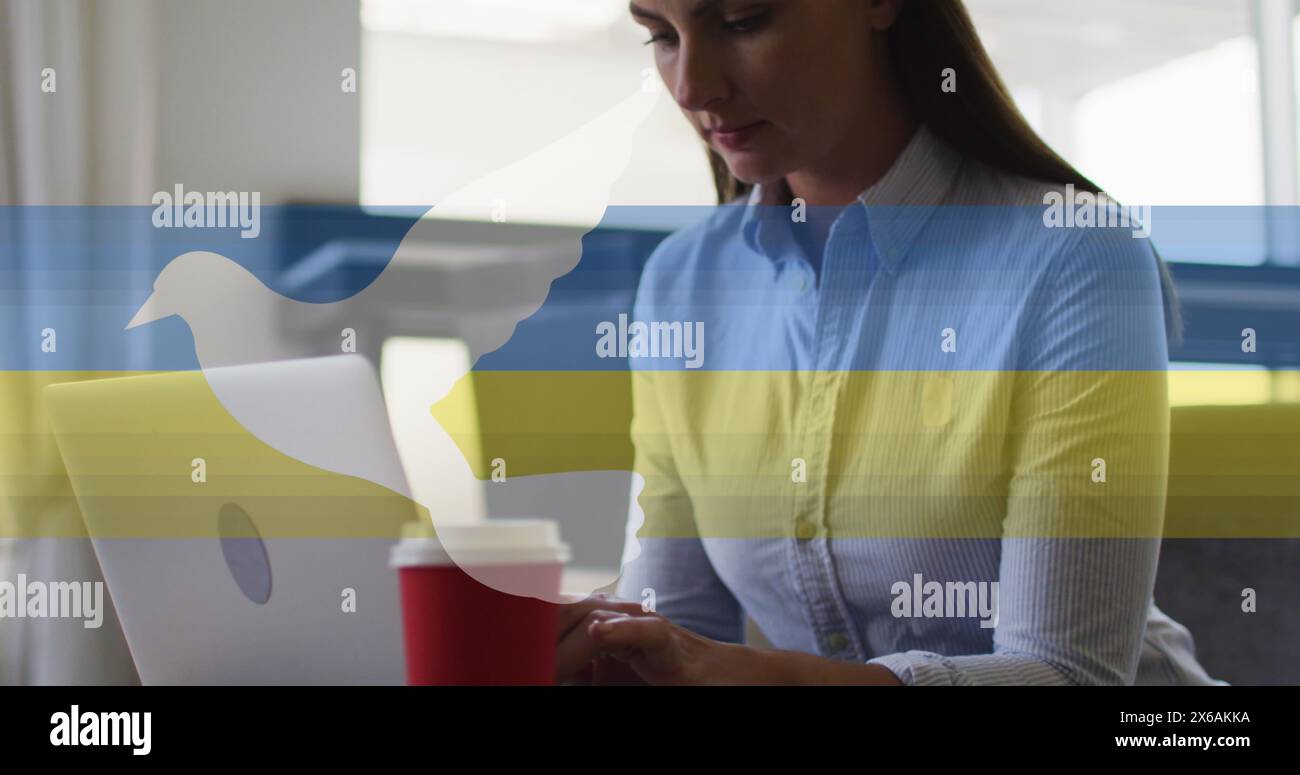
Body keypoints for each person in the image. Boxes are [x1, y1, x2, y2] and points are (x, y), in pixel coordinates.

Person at [554, 0, 1221, 685]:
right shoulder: (683, 283)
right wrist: (608, 644)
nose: (692, 88)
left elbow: (1067, 676)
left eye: (743, 20)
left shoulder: (1076, 256)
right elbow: (682, 619)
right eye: (661, 36)